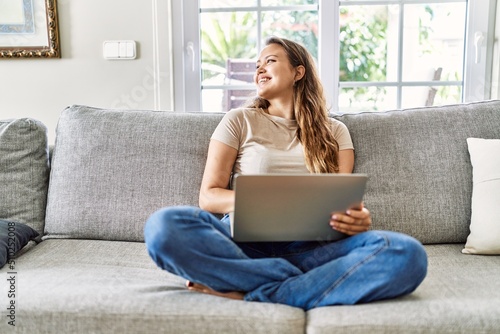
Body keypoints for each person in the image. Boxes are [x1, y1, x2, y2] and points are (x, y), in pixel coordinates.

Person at [144, 36, 427, 310]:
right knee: (163, 226)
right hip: (242, 245)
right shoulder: (239, 120)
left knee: (406, 253)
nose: (259, 69)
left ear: (298, 72)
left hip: (315, 249)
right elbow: (209, 195)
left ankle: (253, 292)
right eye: (257, 65)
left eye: (269, 60)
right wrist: (263, 203)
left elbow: (342, 201)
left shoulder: (336, 132)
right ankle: (304, 286)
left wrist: (356, 220)